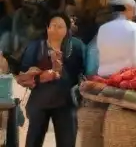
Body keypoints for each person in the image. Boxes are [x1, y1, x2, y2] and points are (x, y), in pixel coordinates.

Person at [17, 12, 85, 147]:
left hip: (66, 103)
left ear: (67, 30)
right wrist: (38, 77)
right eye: (53, 25)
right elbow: (22, 74)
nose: (56, 29)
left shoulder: (76, 47)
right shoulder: (35, 47)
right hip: (40, 102)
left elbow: (82, 72)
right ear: (47, 28)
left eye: (61, 26)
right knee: (33, 141)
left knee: (67, 142)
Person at [96, 0, 136, 77]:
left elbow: (99, 51)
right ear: (128, 9)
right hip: (124, 76)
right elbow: (135, 56)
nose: (134, 14)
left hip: (103, 73)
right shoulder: (134, 27)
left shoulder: (103, 28)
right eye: (133, 10)